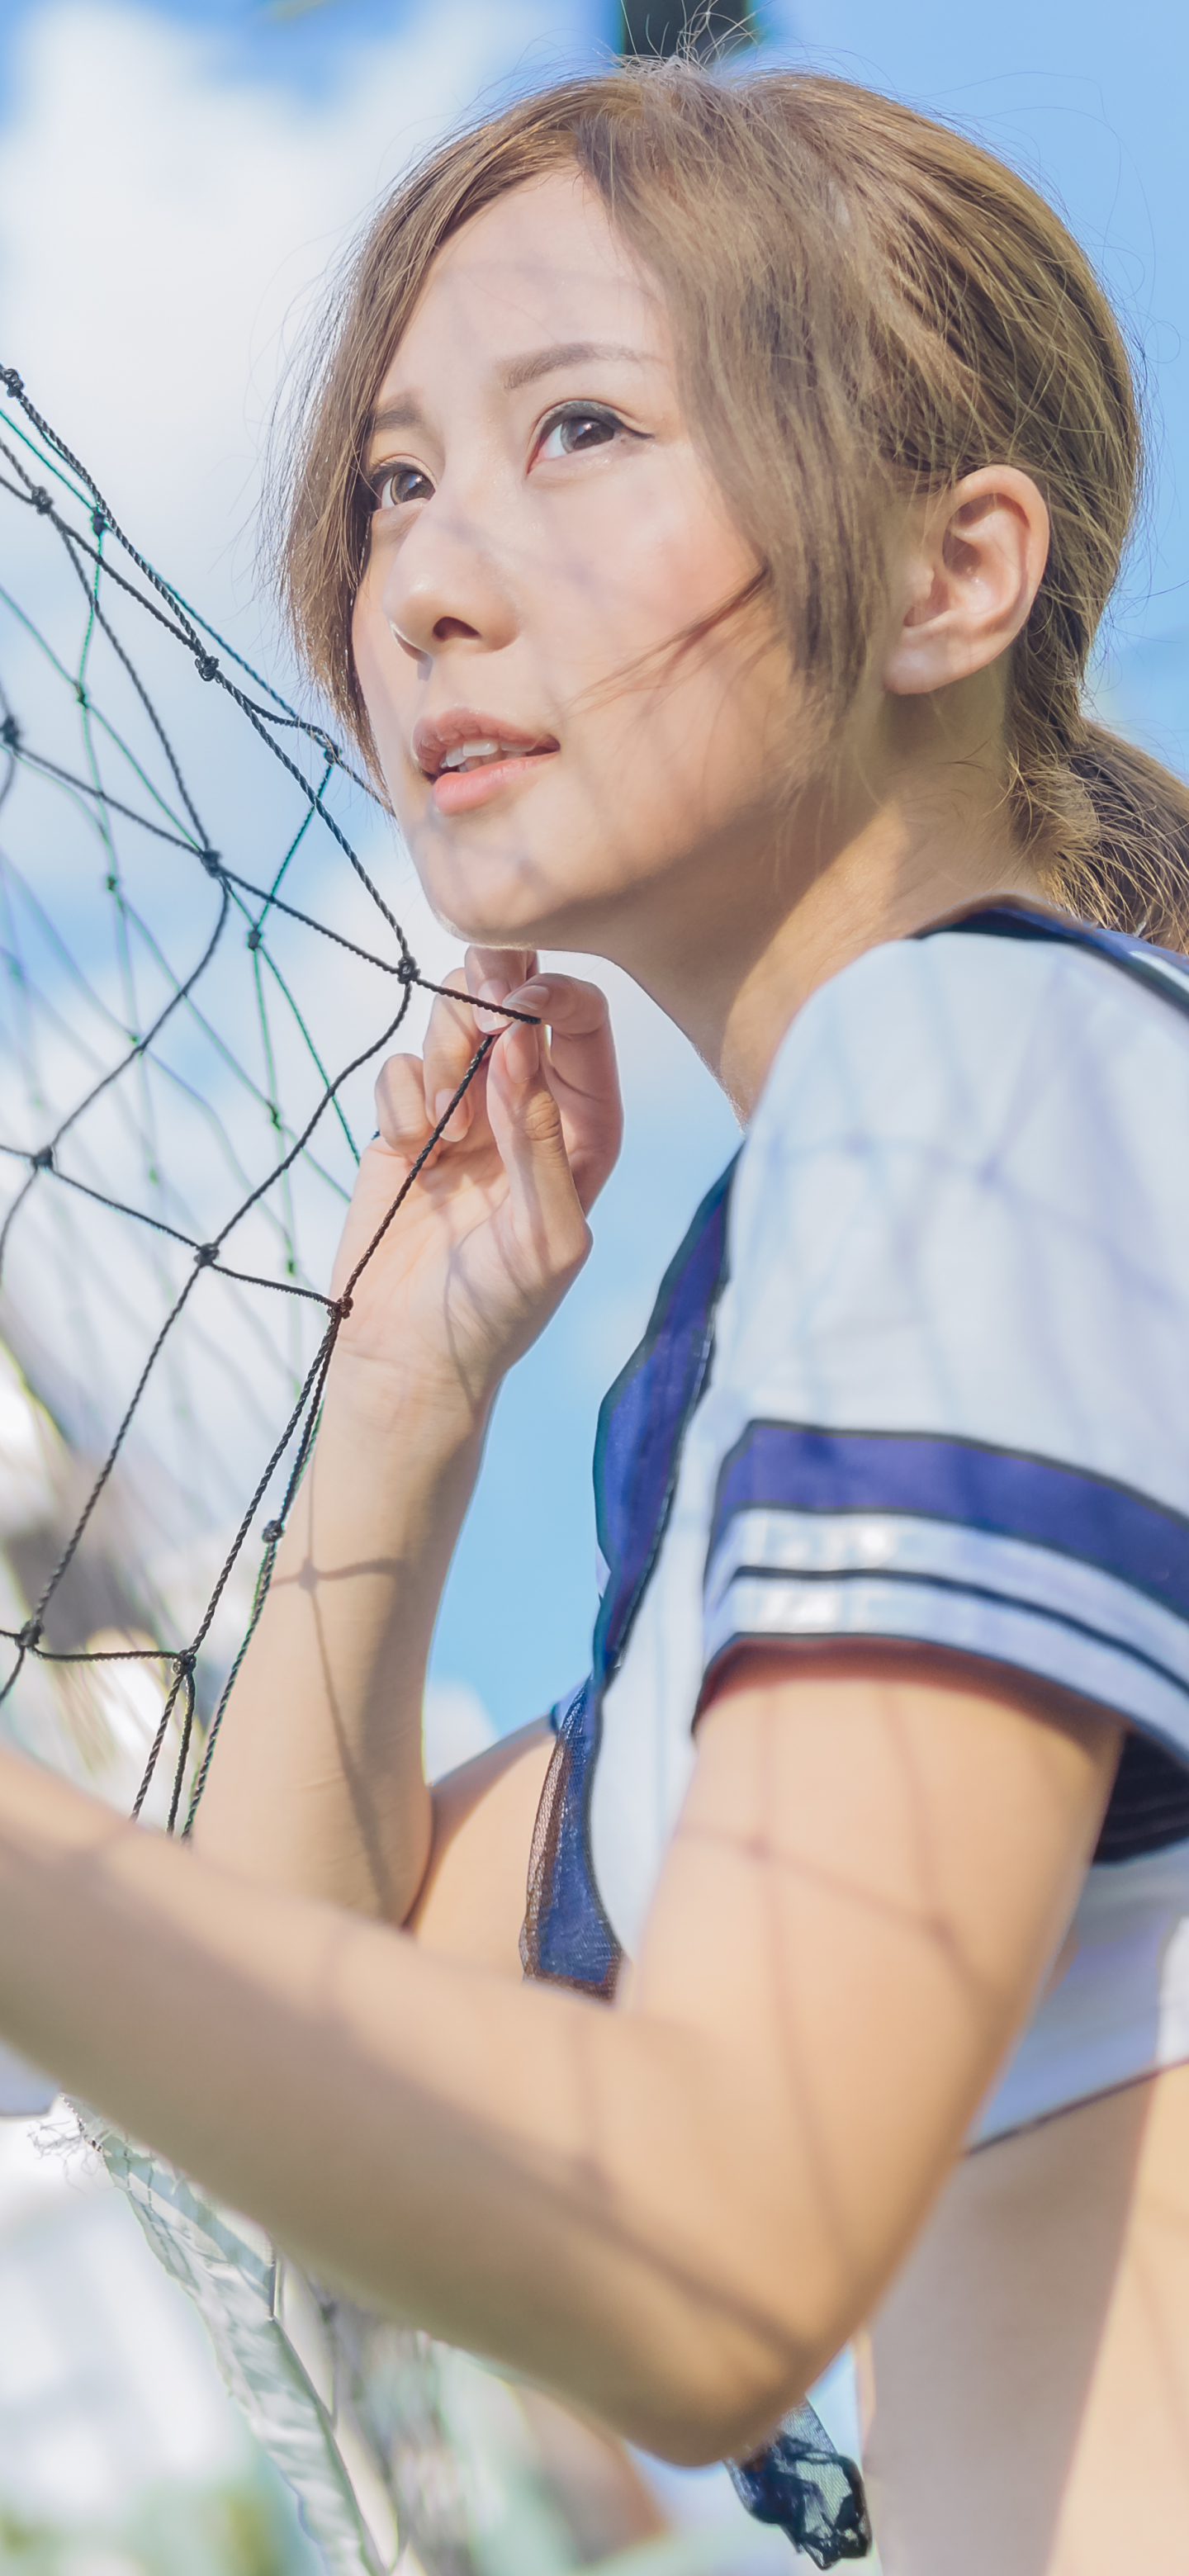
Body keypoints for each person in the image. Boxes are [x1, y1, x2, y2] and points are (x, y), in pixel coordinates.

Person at [3, 60, 1189, 2574]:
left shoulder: (977, 1072)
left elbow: (713, 2248)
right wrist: (406, 1402)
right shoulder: (811, 1299)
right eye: (397, 483)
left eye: (580, 426)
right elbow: (320, 2085)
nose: (424, 579)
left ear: (951, 576)